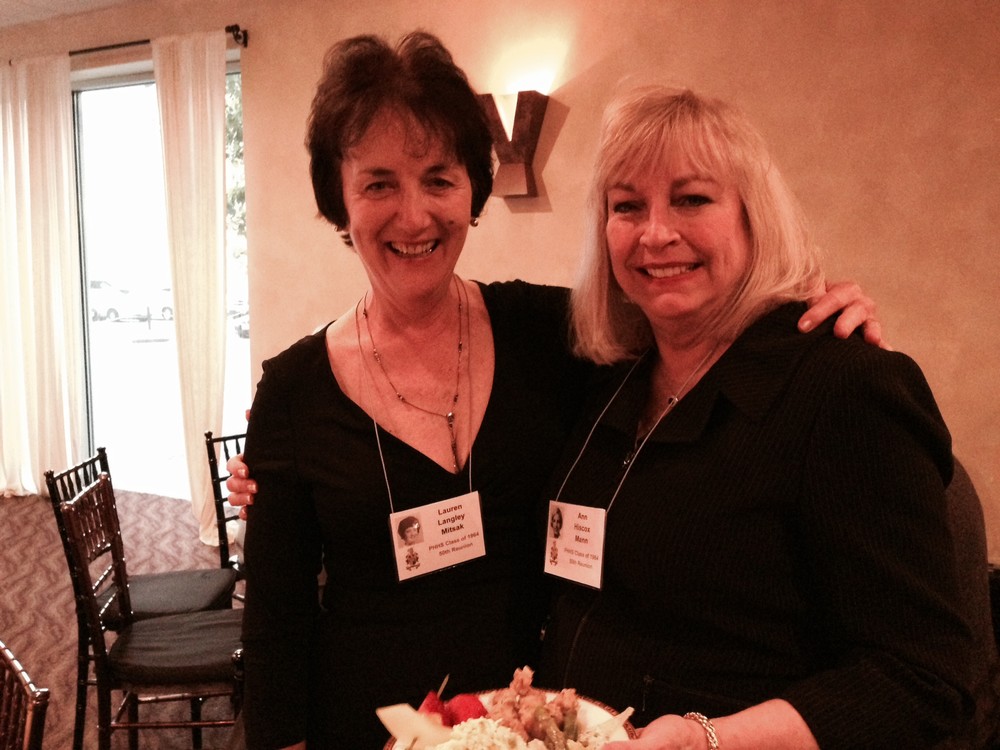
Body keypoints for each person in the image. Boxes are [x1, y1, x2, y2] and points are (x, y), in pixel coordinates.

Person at [233, 32, 881, 749]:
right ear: (340, 199)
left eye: (439, 180)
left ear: (472, 191)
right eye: (378, 184)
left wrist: (806, 310)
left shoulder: (553, 334)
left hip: (539, 726)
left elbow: (693, 318)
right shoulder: (294, 391)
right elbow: (276, 626)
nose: (413, 216)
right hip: (367, 727)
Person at [535, 87, 977, 749]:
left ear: (753, 216)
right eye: (627, 206)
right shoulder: (608, 377)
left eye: (691, 199)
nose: (656, 233)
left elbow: (924, 679)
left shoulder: (844, 389)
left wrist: (707, 740)